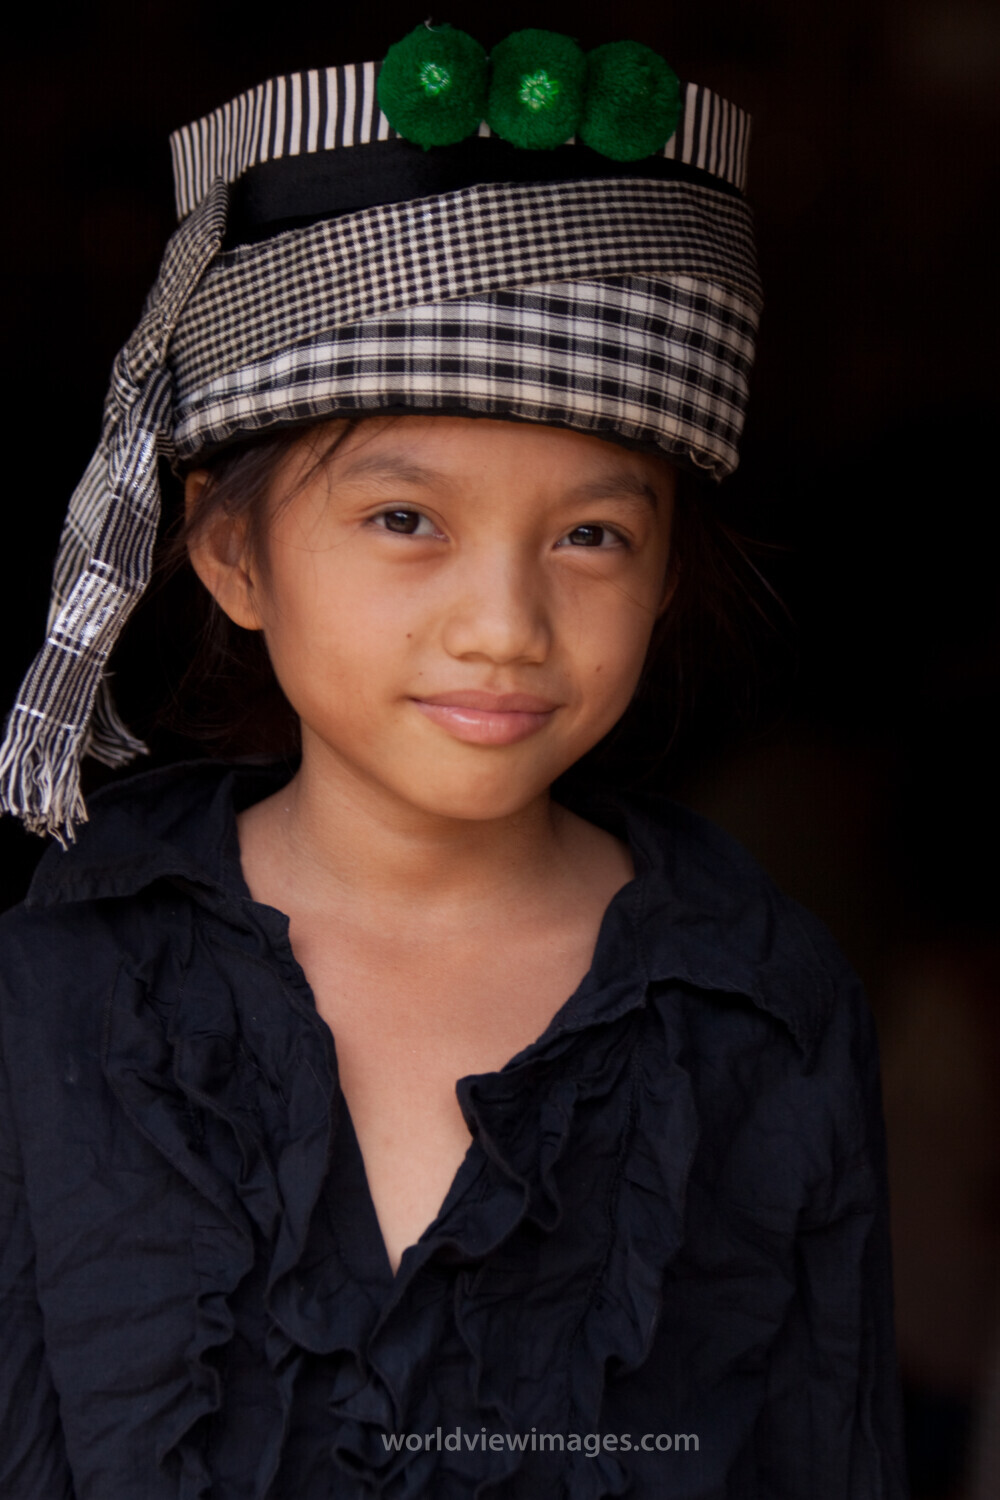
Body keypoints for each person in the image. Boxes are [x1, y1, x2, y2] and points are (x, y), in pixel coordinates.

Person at [0, 26, 908, 1498]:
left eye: (591, 536)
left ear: (669, 572)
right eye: (405, 519)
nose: (505, 625)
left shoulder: (765, 1015)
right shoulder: (74, 981)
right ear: (230, 550)